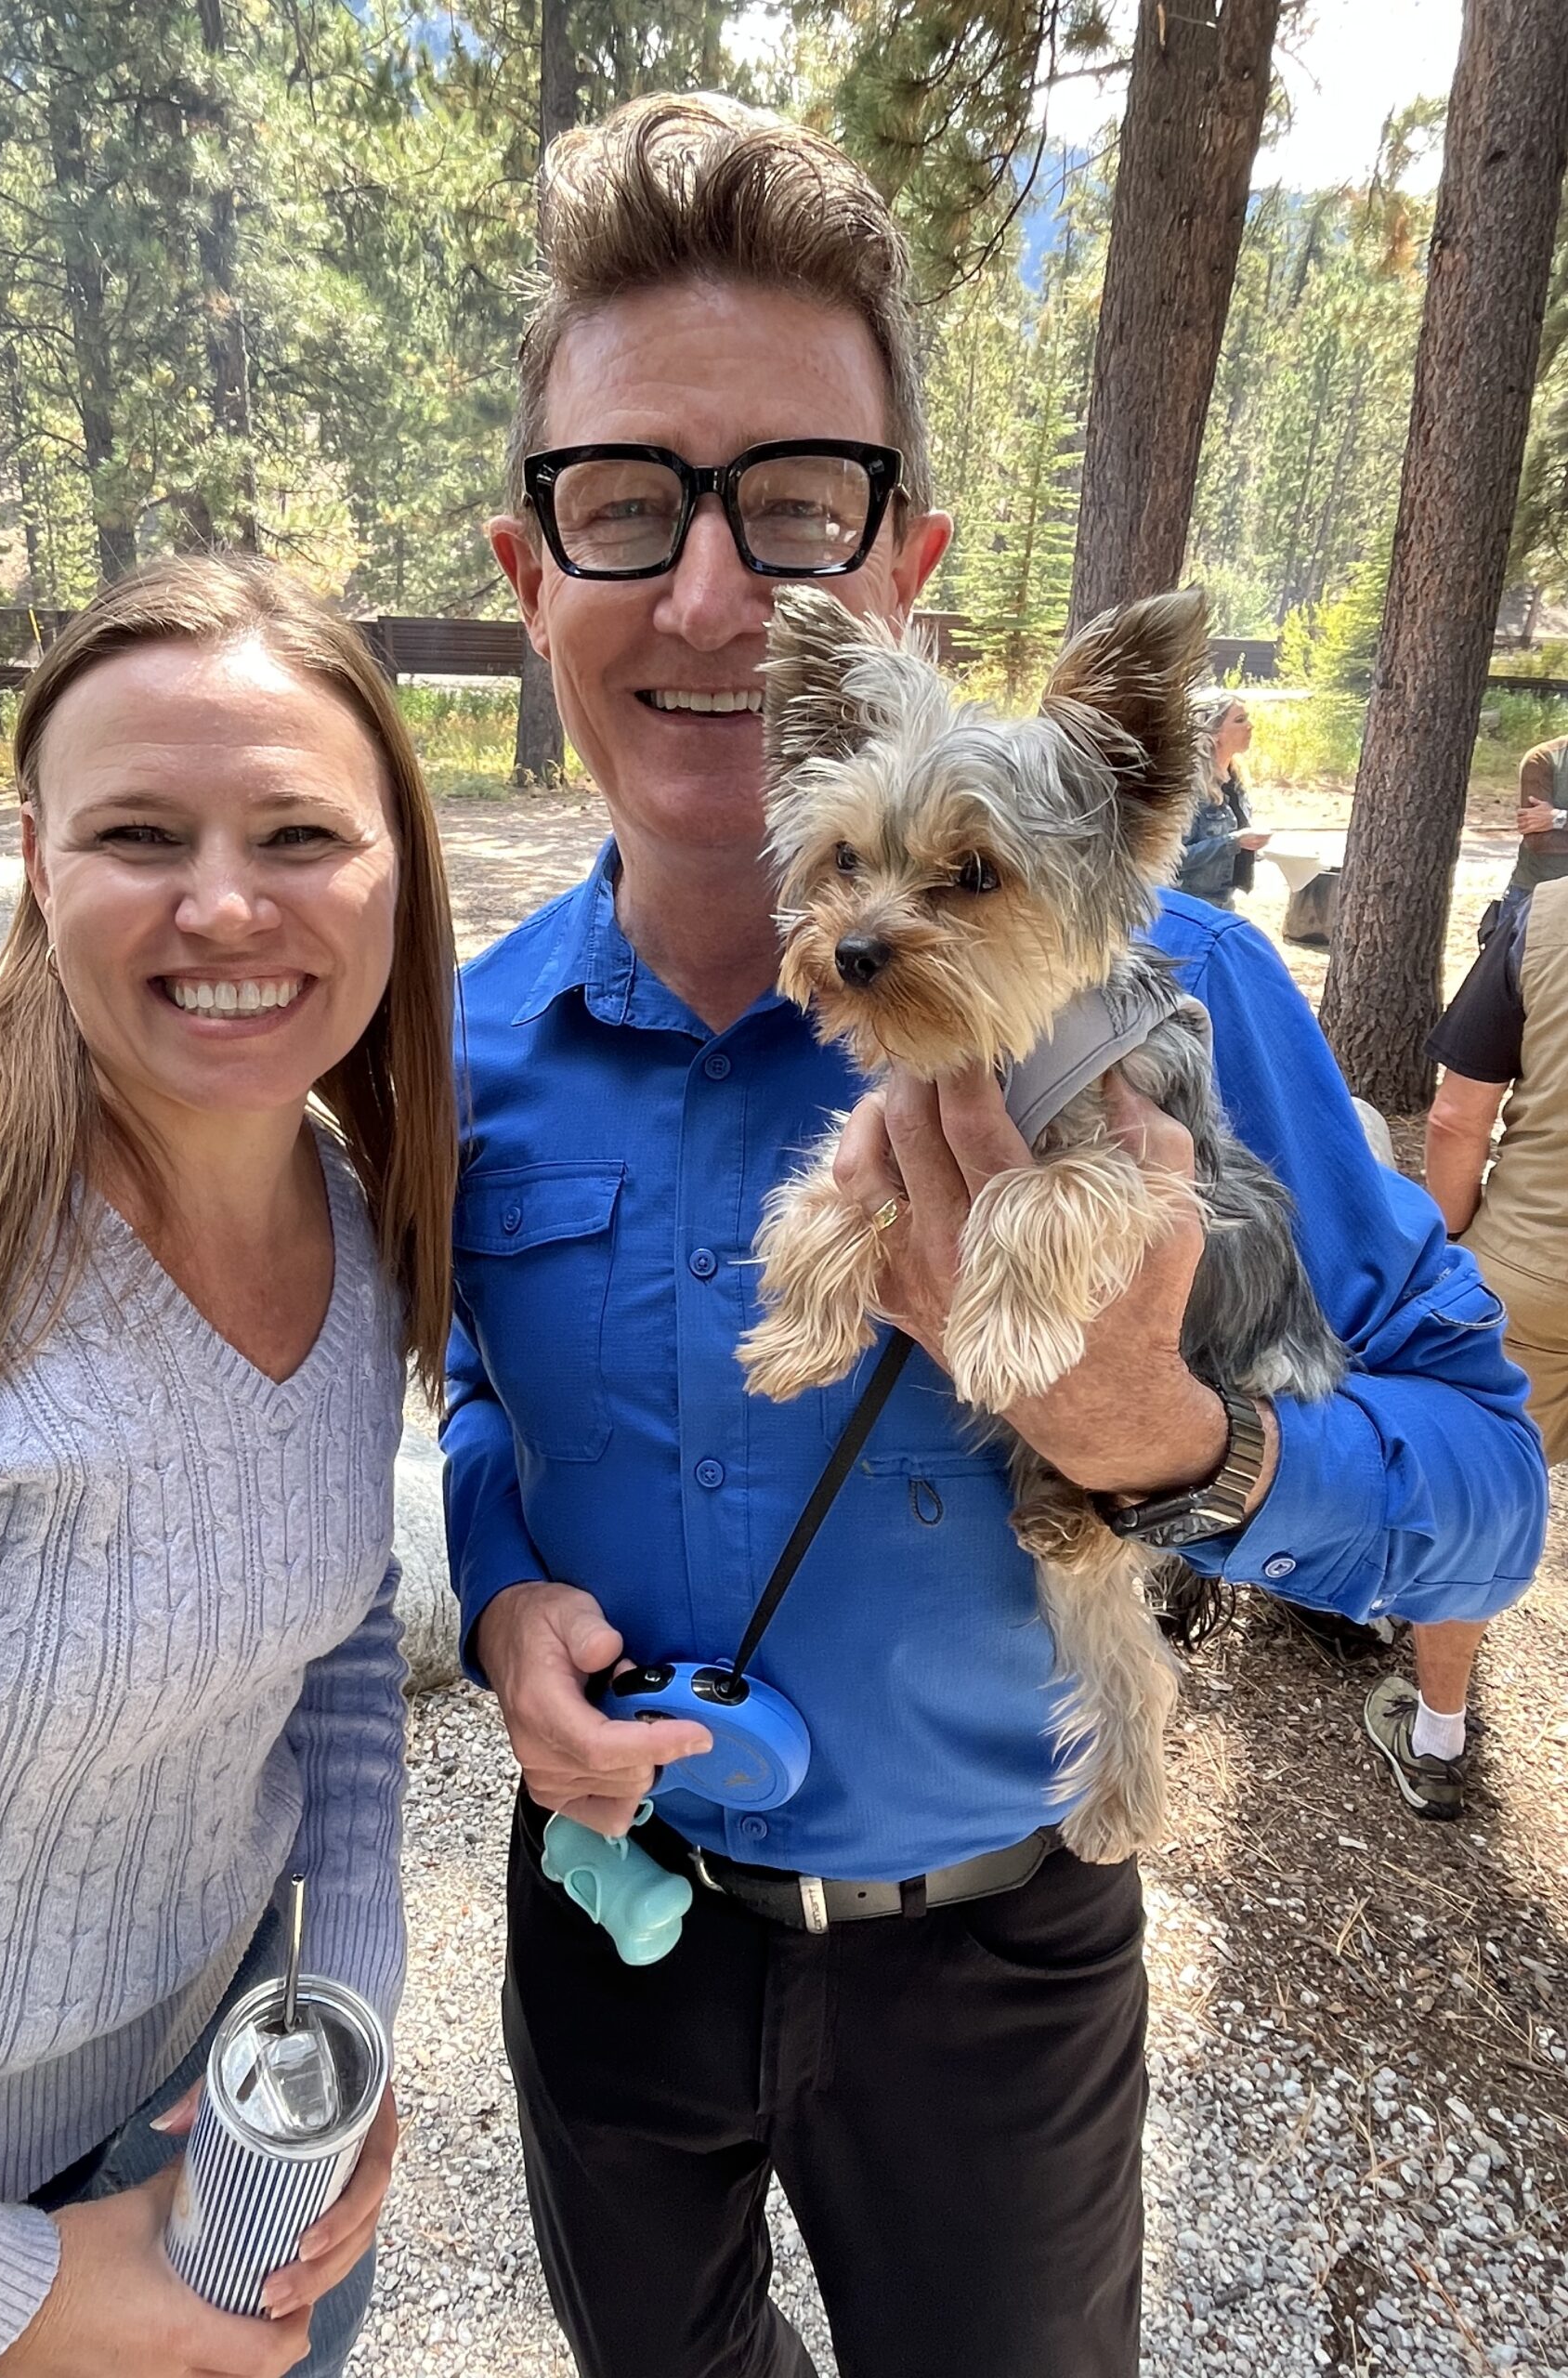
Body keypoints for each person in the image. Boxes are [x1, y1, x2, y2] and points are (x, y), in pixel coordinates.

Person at [442, 94, 1545, 2378]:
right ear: (529, 568)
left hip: (1000, 1960)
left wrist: (1178, 1444)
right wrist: (491, 1584)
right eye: (627, 502)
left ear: (904, 569)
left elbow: (1484, 1487)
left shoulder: (1172, 1009)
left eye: (798, 506)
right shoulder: (462, 1052)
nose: (715, 597)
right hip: (611, 1920)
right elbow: (477, 1388)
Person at [0, 558, 457, 2378]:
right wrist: (3, 2292)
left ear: (395, 865)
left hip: (228, 2164)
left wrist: (341, 2001)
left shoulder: (351, 1218)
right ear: (36, 860)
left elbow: (337, 1635)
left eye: (299, 833)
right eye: (140, 833)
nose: (224, 902)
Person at [1370, 871, 1568, 1819]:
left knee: (1475, 1503)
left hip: (1532, 1268)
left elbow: (1456, 1117)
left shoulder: (1546, 913)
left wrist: (1448, 1236)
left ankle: (1438, 1736)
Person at [1174, 694, 1268, 909]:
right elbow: (1174, 860)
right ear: (1213, 732)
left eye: (1247, 718)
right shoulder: (1189, 786)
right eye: (1240, 720)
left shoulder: (1234, 780)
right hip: (1189, 905)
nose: (1250, 726)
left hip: (1224, 904)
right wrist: (1233, 842)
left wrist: (1254, 847)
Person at [1481, 731, 1568, 943]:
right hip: (1536, 898)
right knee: (1514, 964)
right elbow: (1539, 840)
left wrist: (1559, 818)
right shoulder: (1544, 759)